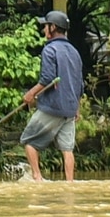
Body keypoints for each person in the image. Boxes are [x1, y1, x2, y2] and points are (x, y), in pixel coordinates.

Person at [20, 10, 84, 182]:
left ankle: (37, 178)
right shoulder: (75, 52)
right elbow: (80, 83)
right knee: (67, 149)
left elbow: (47, 78)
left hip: (53, 107)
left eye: (46, 26)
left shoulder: (50, 49)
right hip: (70, 109)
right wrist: (76, 107)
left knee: (29, 141)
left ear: (53, 27)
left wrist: (30, 94)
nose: (44, 30)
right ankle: (70, 183)